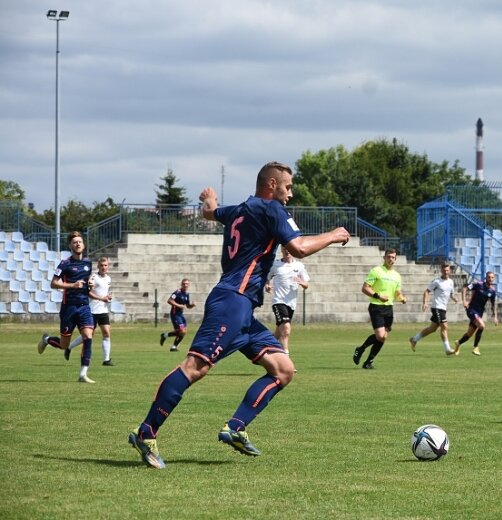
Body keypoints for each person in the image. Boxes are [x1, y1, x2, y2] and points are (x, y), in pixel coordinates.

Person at [128, 161, 350, 469]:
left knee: (283, 370)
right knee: (195, 367)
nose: (289, 194)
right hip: (232, 301)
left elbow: (210, 213)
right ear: (271, 185)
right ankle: (146, 432)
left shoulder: (239, 210)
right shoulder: (272, 210)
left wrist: (210, 202)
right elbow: (298, 247)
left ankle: (235, 427)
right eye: (287, 187)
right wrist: (334, 235)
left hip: (243, 309)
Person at [36, 231, 97, 384]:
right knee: (64, 346)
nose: (78, 244)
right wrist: (72, 285)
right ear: (70, 245)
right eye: (75, 242)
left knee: (88, 337)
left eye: (80, 241)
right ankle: (47, 339)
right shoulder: (65, 263)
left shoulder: (88, 263)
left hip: (84, 307)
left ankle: (83, 374)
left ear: (83, 244)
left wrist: (90, 284)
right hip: (69, 308)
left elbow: (87, 284)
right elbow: (53, 283)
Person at [353, 249, 407, 370]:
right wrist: (378, 296)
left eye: (393, 257)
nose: (391, 259)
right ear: (384, 258)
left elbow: (397, 292)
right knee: (381, 335)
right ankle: (361, 349)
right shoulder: (376, 271)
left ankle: (368, 362)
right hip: (376, 306)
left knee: (383, 337)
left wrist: (402, 298)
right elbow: (365, 288)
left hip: (389, 308)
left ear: (395, 259)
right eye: (388, 257)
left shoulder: (397, 276)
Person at [65, 256, 115, 366]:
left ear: (108, 266)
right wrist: (102, 298)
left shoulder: (108, 279)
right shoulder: (93, 277)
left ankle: (106, 360)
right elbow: (88, 293)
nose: (103, 267)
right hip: (92, 310)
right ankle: (69, 347)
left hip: (103, 310)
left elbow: (103, 292)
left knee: (106, 333)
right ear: (98, 266)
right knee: (87, 335)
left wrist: (108, 297)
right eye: (101, 265)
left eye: (105, 265)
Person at [265, 246, 310, 354]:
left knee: (278, 333)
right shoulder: (275, 264)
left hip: (291, 304)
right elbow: (267, 278)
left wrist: (301, 282)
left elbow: (306, 284)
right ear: (281, 249)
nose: (287, 250)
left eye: (289, 248)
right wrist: (267, 285)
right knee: (286, 330)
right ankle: (285, 359)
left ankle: (264, 349)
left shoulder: (299, 266)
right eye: (284, 248)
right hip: (279, 301)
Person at [409, 263, 459, 356]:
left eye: (447, 270)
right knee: (444, 327)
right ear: (441, 271)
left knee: (432, 329)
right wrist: (425, 303)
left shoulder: (451, 282)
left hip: (443, 308)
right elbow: (427, 291)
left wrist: (454, 298)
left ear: (450, 271)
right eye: (444, 270)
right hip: (437, 307)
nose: (445, 272)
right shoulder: (437, 281)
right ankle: (447, 349)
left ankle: (414, 339)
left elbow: (451, 293)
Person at [453, 271, 498, 356]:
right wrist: (464, 301)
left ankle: (458, 343)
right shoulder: (478, 284)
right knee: (482, 325)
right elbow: (465, 288)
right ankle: (475, 347)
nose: (490, 279)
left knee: (469, 334)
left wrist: (495, 316)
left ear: (494, 278)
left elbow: (493, 304)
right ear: (486, 277)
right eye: (489, 277)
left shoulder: (492, 291)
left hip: (479, 313)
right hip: (471, 309)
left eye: (492, 277)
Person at [160, 278, 195, 352]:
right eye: (184, 283)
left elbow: (187, 306)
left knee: (183, 332)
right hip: (175, 314)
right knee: (181, 331)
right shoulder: (177, 292)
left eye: (187, 284)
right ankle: (172, 344)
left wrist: (192, 305)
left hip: (180, 315)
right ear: (181, 284)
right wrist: (178, 305)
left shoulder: (187, 294)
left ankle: (172, 345)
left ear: (188, 285)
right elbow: (169, 300)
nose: (185, 285)